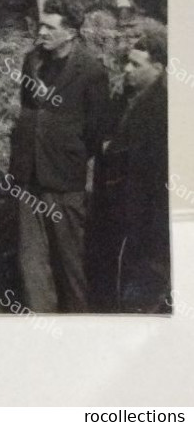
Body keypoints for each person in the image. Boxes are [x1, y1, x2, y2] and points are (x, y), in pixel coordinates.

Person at [8, 11, 110, 313]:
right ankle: (42, 323)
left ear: (71, 33)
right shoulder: (33, 61)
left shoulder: (91, 71)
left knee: (69, 260)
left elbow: (96, 129)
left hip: (64, 178)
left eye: (50, 27)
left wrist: (68, 155)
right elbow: (28, 108)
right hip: (28, 175)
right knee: (32, 261)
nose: (42, 31)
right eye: (40, 24)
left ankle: (77, 322)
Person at [90, 33, 169, 313]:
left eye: (136, 65)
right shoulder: (122, 97)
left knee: (143, 289)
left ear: (158, 69)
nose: (126, 70)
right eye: (127, 63)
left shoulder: (163, 110)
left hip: (146, 219)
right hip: (114, 208)